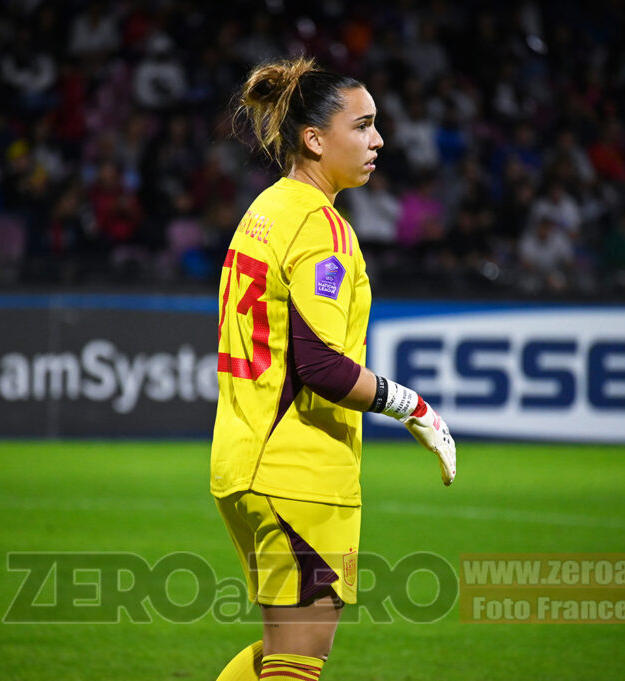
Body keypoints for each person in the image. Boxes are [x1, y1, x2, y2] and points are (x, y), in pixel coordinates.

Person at [212, 57, 457, 681]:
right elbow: (320, 364)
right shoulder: (322, 229)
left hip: (245, 460)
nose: (378, 140)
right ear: (314, 139)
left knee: (278, 650)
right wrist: (413, 406)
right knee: (298, 661)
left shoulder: (267, 209)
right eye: (364, 125)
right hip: (298, 471)